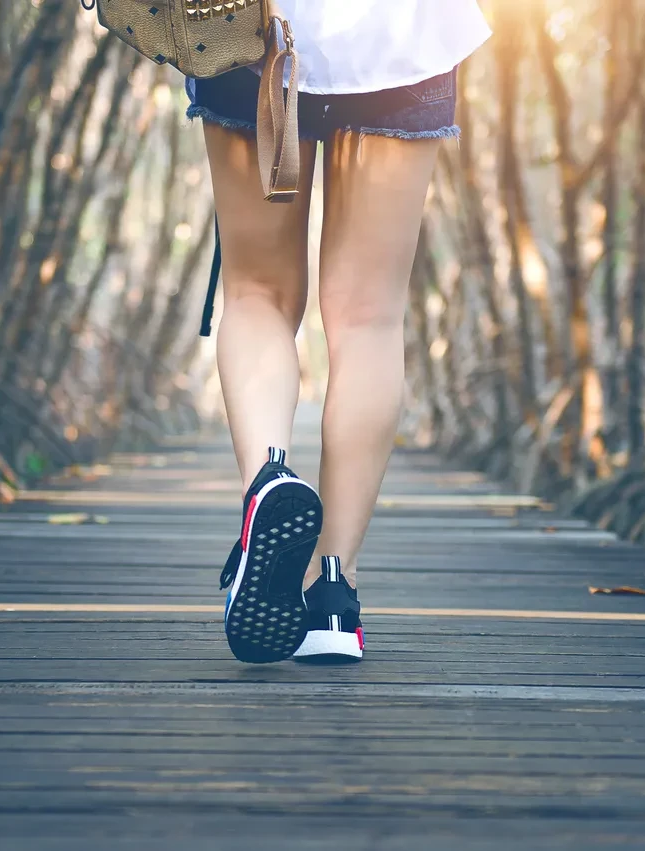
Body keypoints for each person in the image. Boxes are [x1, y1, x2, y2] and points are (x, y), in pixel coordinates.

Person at [189, 0, 491, 664]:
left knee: (258, 293)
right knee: (368, 318)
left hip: (245, 32)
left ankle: (266, 483)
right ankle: (333, 594)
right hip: (404, 38)